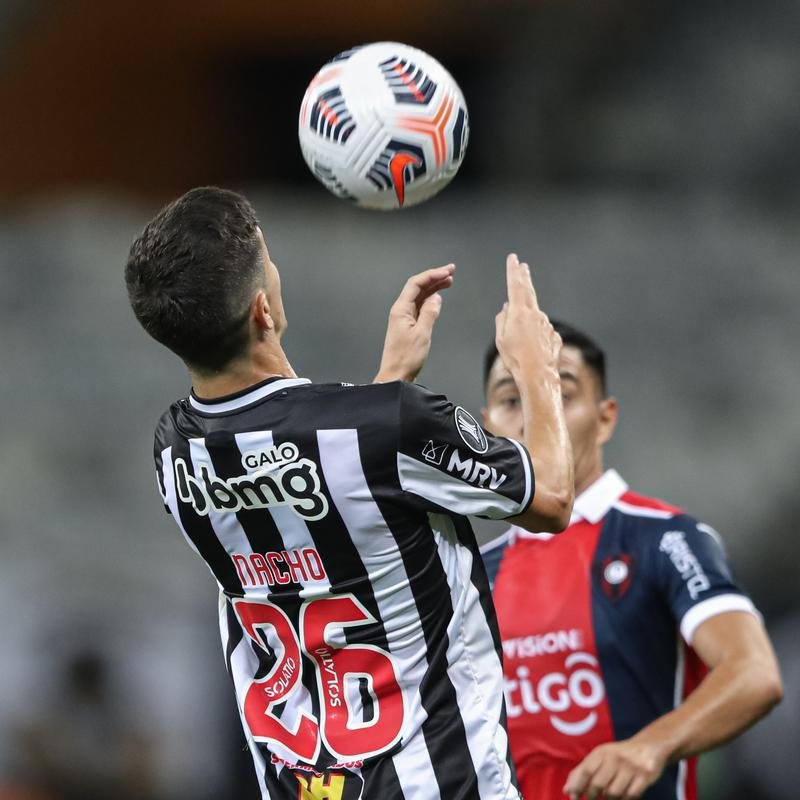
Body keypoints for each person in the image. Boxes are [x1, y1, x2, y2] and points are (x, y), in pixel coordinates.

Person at [124, 186, 574, 800]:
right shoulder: (384, 428)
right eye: (269, 261)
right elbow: (551, 498)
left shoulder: (174, 451)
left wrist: (387, 388)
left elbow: (317, 524)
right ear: (263, 309)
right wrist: (537, 367)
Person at [480, 321, 783, 800]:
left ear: (605, 418)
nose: (536, 416)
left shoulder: (663, 538)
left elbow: (754, 673)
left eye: (559, 393)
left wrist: (651, 746)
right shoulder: (472, 570)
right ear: (487, 427)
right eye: (512, 399)